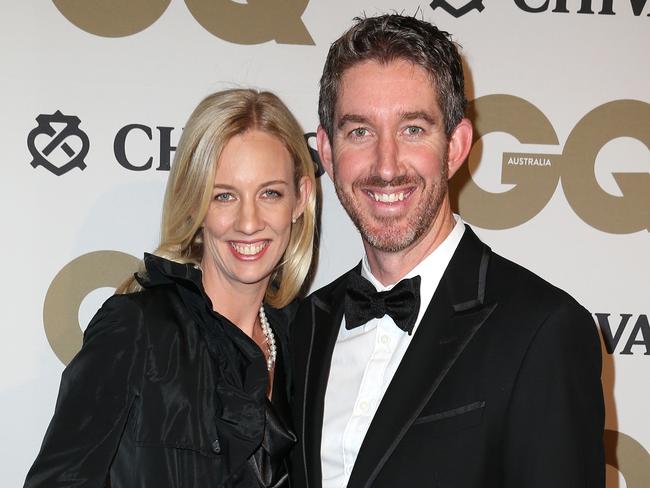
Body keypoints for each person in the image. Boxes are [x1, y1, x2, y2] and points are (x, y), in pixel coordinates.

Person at [290, 14, 604, 488]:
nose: (386, 165)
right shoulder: (303, 327)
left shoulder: (542, 330)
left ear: (455, 146)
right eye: (360, 131)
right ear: (328, 154)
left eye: (413, 129)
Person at [24, 89, 316, 488]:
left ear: (301, 198)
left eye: (270, 193)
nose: (249, 222)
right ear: (195, 202)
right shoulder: (137, 328)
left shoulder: (309, 343)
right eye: (224, 196)